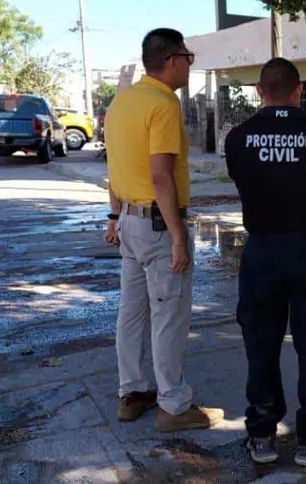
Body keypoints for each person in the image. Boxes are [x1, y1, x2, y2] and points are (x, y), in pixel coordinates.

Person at [224, 58, 306, 467]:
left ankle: (261, 435)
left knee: (261, 345)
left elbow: (242, 181)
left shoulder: (239, 138)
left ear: (260, 91)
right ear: (299, 90)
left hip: (262, 251)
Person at [103, 28, 224, 433]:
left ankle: (133, 392)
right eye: (187, 57)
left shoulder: (122, 102)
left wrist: (114, 216)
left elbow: (115, 167)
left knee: (132, 312)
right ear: (172, 60)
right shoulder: (163, 103)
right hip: (156, 225)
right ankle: (173, 405)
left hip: (130, 223)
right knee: (169, 314)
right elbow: (159, 176)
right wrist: (177, 237)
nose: (190, 64)